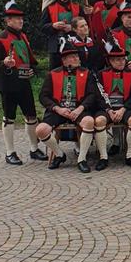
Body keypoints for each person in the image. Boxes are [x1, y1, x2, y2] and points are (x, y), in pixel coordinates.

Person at [0, 0, 46, 165]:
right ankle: (10, 152)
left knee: (31, 116)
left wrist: (32, 71)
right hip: (8, 84)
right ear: (8, 21)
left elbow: (31, 60)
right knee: (9, 117)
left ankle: (34, 149)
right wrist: (4, 62)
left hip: (24, 83)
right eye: (16, 18)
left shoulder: (24, 37)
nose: (20, 21)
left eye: (21, 18)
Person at [36, 40, 100, 172]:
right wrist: (57, 108)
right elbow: (43, 96)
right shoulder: (53, 74)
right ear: (64, 61)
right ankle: (59, 155)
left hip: (79, 109)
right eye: (73, 57)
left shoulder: (87, 73)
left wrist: (80, 108)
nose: (77, 58)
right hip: (58, 110)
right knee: (40, 130)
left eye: (77, 56)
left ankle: (81, 159)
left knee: (89, 122)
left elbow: (92, 95)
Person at [94, 41, 131, 169]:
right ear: (110, 61)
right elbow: (98, 96)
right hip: (107, 109)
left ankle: (130, 156)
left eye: (122, 59)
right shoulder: (101, 74)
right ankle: (103, 157)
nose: (121, 62)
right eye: (117, 60)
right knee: (99, 121)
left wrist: (123, 109)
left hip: (125, 108)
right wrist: (109, 110)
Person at [40, 0, 84, 69]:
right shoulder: (49, 9)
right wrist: (53, 26)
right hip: (56, 46)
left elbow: (85, 25)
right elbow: (42, 27)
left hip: (75, 45)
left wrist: (72, 27)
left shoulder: (78, 7)